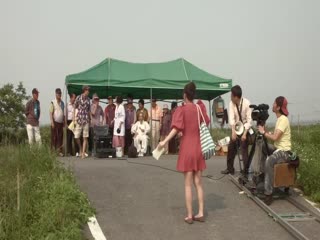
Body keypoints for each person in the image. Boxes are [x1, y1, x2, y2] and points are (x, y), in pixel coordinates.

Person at [158, 82, 209, 224]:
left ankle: (189, 215)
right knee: (198, 183)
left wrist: (164, 142)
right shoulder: (199, 108)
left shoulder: (181, 110)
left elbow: (176, 128)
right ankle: (200, 212)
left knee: (187, 184)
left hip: (187, 148)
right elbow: (205, 122)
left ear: (185, 95)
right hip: (198, 148)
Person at [258, 96, 292, 205]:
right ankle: (263, 174)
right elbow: (275, 136)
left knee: (270, 161)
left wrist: (264, 133)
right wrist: (266, 131)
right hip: (278, 149)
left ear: (278, 107)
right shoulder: (280, 119)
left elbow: (276, 137)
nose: (272, 105)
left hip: (284, 152)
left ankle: (268, 193)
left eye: (274, 103)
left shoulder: (283, 119)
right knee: (263, 146)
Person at [221, 85, 252, 175]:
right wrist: (233, 132)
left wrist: (245, 134)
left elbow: (249, 121)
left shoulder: (247, 103)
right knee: (231, 146)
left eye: (231, 95)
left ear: (236, 97)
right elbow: (231, 119)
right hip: (236, 128)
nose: (230, 97)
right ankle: (230, 168)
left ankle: (245, 171)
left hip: (246, 129)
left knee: (244, 147)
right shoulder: (231, 104)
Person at [74, 85, 91, 159]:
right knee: (76, 136)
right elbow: (75, 106)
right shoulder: (78, 97)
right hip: (79, 118)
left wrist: (90, 119)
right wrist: (73, 118)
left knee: (85, 137)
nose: (88, 91)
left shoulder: (88, 99)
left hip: (86, 119)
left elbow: (89, 110)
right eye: (87, 90)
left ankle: (83, 152)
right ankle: (80, 149)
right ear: (84, 90)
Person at [49, 88, 65, 156]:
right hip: (55, 121)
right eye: (58, 93)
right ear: (56, 94)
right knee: (54, 137)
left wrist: (64, 121)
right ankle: (53, 151)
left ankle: (59, 151)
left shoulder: (62, 103)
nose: (59, 95)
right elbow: (50, 112)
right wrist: (52, 122)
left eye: (60, 93)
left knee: (60, 137)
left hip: (61, 122)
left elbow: (63, 113)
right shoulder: (53, 102)